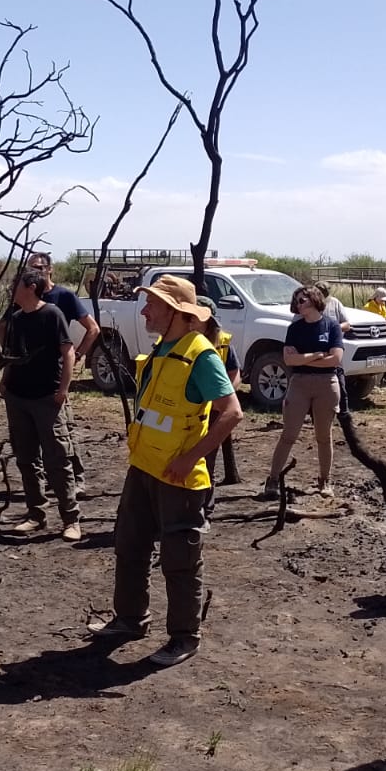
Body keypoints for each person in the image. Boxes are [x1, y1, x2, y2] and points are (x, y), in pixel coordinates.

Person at [88, 275, 243, 667]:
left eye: (151, 305)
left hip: (178, 477)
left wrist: (191, 458)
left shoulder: (202, 355)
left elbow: (232, 413)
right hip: (143, 468)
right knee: (130, 545)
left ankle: (184, 637)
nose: (144, 311)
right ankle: (129, 619)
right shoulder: (163, 348)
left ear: (175, 312)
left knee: (179, 559)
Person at [0, 270, 81, 540]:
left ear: (31, 287)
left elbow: (67, 352)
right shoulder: (16, 319)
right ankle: (36, 514)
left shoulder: (52, 314)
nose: (12, 288)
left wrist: (64, 389)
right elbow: (12, 355)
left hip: (47, 397)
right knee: (26, 459)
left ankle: (71, 519)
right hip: (18, 397)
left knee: (57, 458)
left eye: (16, 284)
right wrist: (5, 380)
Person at [262, 285, 343, 499]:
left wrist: (304, 358)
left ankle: (324, 481)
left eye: (302, 299)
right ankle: (272, 480)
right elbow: (289, 360)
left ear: (314, 300)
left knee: (324, 436)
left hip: (327, 384)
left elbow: (335, 359)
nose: (298, 304)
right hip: (299, 383)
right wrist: (316, 355)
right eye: (296, 301)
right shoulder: (294, 329)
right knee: (289, 434)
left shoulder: (331, 326)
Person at [28, 251, 100, 491]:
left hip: (57, 372)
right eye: (31, 268)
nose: (35, 272)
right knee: (37, 429)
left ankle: (75, 478)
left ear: (50, 270)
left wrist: (77, 355)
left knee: (62, 426)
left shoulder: (63, 296)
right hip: (30, 372)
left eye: (39, 267)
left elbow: (93, 329)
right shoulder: (27, 295)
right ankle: (51, 477)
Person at [200, 312, 241, 516]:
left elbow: (235, 375)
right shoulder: (177, 341)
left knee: (207, 460)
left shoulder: (224, 344)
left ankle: (205, 509)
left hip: (214, 413)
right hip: (187, 414)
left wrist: (223, 398)